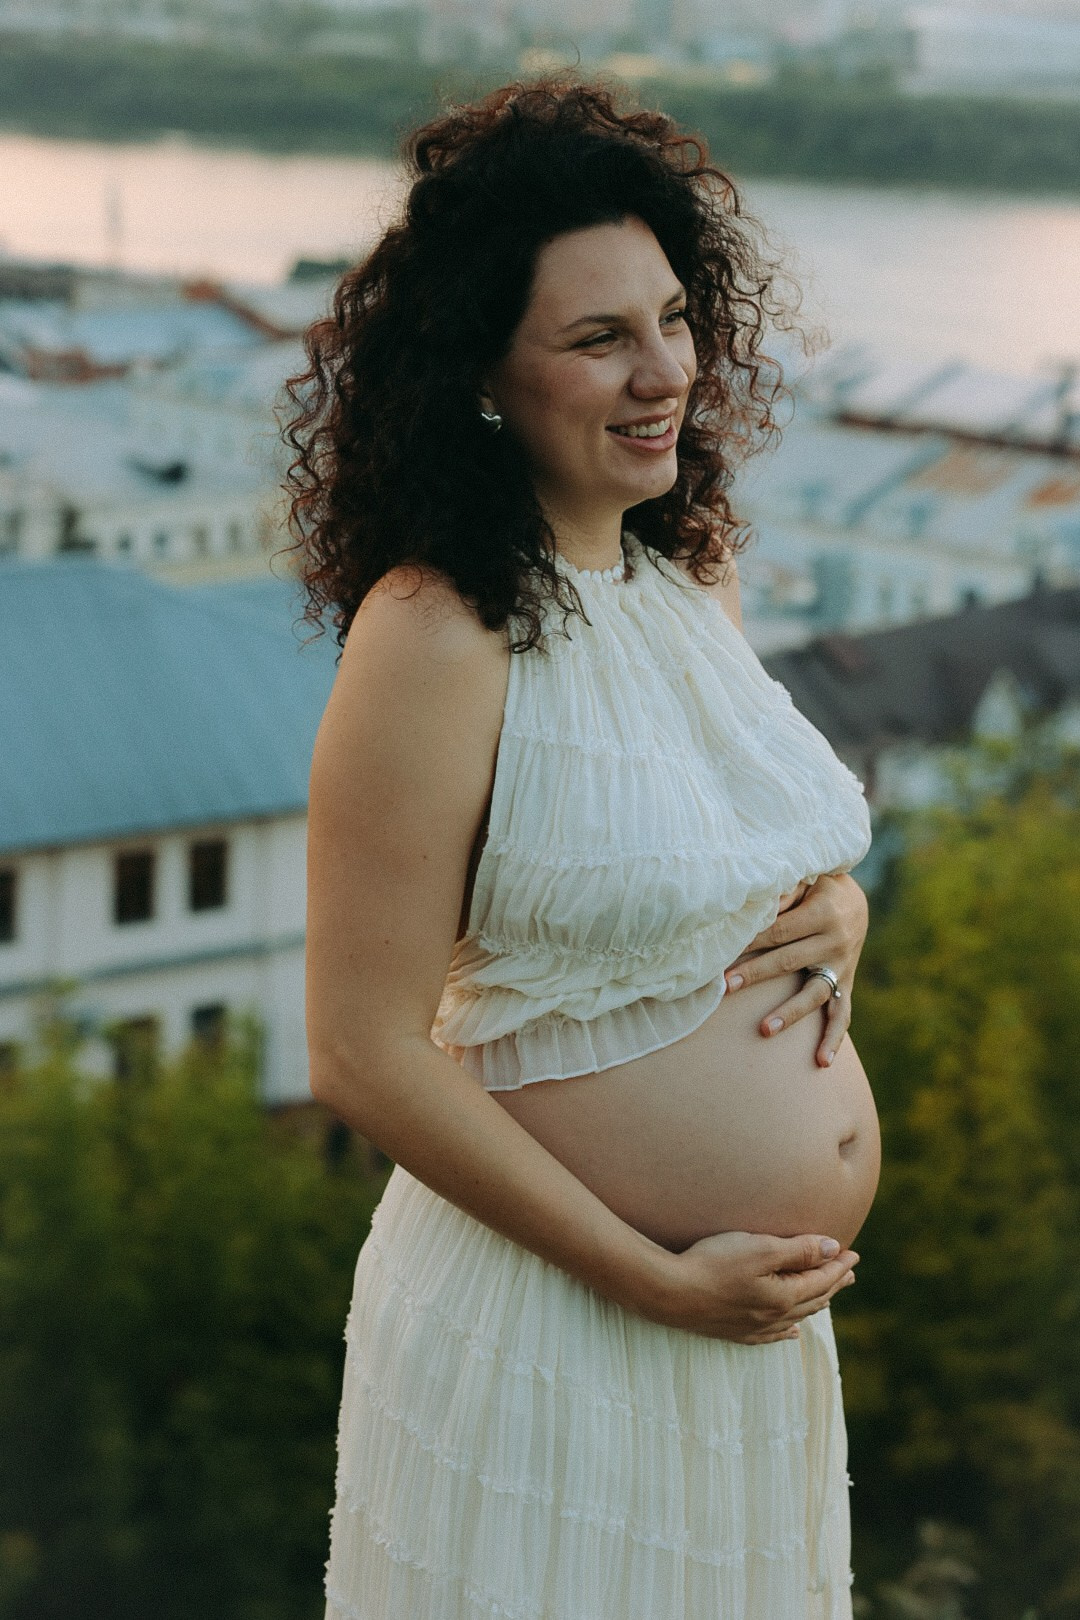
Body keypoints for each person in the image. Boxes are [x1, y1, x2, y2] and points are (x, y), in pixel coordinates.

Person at [284, 78, 879, 1620]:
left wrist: (840, 907)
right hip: (560, 1326)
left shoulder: (691, 572)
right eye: (597, 338)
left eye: (675, 319)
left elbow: (722, 850)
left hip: (741, 1341)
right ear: (485, 372)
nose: (662, 370)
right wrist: (647, 1274)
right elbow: (357, 1051)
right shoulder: (436, 630)